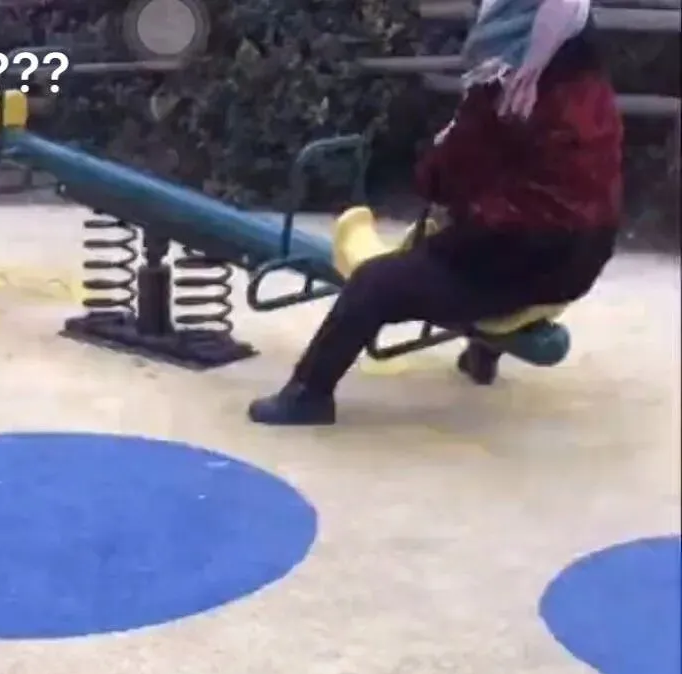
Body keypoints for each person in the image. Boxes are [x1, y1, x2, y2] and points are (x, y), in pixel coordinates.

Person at [248, 0, 623, 426]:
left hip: (523, 256)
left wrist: (442, 148)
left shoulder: (503, 85)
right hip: (586, 254)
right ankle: (482, 356)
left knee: (375, 283)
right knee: (486, 225)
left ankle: (307, 396)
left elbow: (443, 177)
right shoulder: (590, 83)